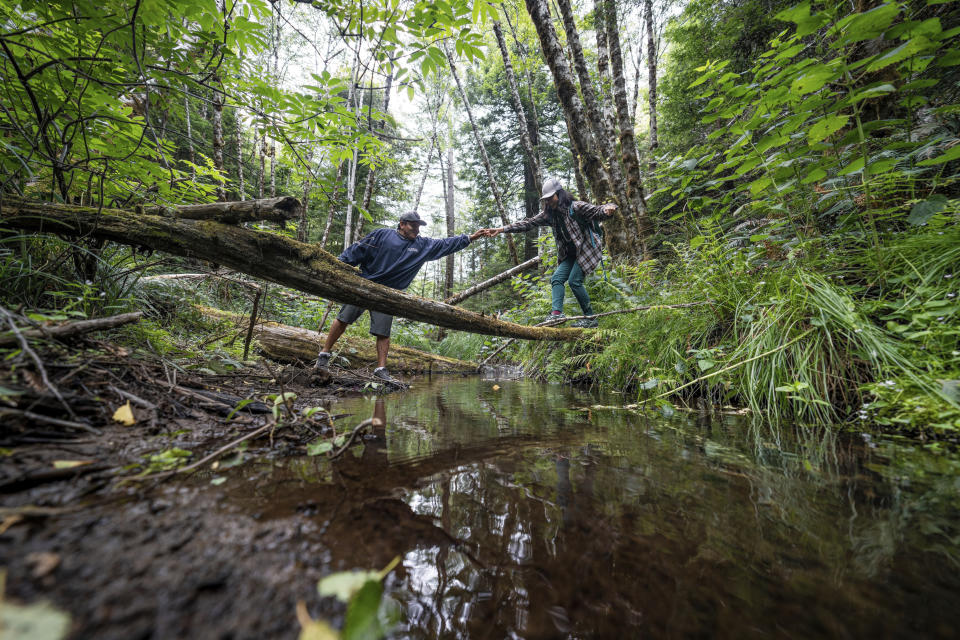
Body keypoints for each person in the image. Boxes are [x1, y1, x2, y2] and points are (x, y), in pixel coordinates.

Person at [316, 211, 488, 383]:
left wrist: (470, 237)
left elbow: (445, 244)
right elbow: (357, 250)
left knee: (383, 333)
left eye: (419, 226)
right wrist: (336, 266)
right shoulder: (382, 235)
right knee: (343, 319)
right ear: (402, 224)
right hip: (364, 286)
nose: (417, 230)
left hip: (388, 295)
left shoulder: (422, 246)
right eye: (414, 226)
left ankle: (381, 369)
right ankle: (324, 354)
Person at [483, 178, 616, 328]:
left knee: (574, 281)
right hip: (570, 255)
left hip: (587, 250)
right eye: (546, 199)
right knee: (557, 279)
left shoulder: (576, 207)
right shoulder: (549, 215)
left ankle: (591, 319)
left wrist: (607, 209)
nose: (549, 201)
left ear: (559, 194)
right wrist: (500, 229)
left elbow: (597, 211)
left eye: (551, 197)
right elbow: (527, 223)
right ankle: (557, 315)